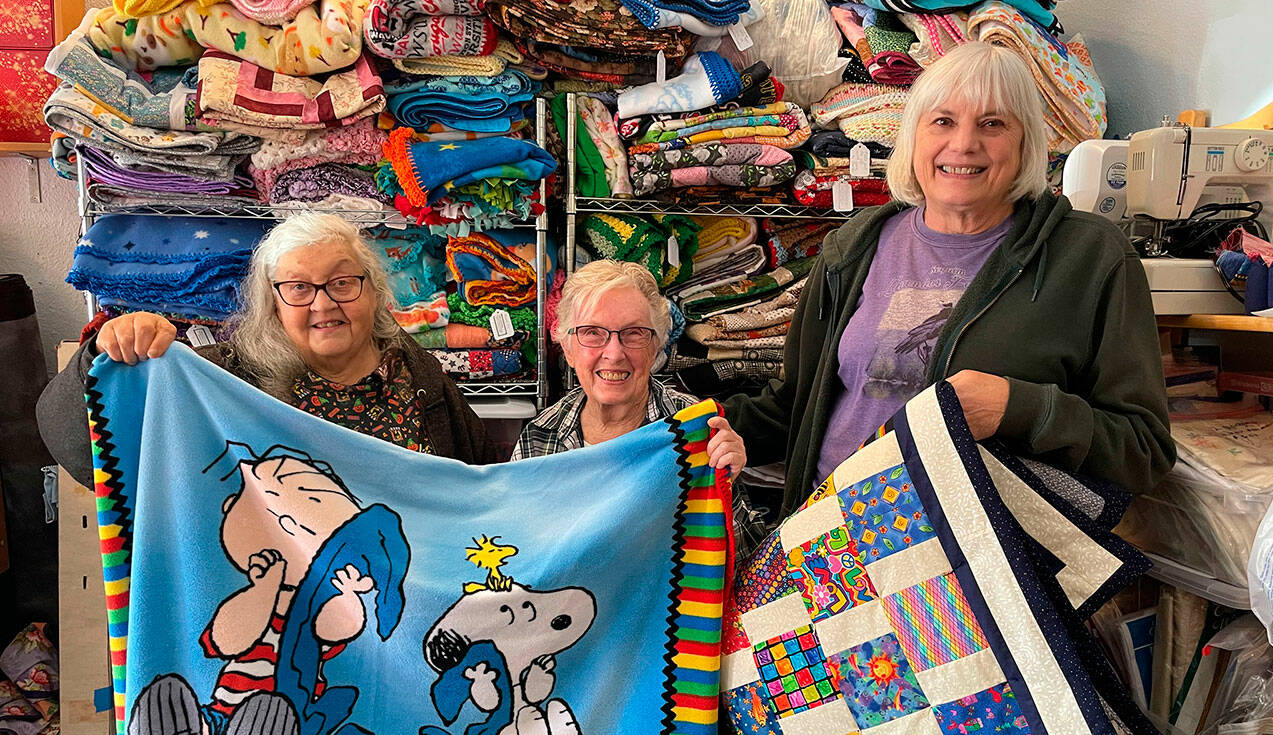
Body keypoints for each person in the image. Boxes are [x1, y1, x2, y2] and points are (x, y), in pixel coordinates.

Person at [725, 41, 1175, 517]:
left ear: (1025, 142)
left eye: (992, 124)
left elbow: (1143, 451)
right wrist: (700, 428)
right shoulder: (856, 244)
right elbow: (795, 405)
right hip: (834, 538)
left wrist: (1017, 408)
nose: (963, 144)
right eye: (942, 121)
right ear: (913, 136)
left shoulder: (1090, 256)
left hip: (978, 554)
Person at [39, 212, 502, 487]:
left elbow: (480, 481)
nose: (324, 303)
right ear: (273, 304)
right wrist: (105, 355)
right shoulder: (225, 381)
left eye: (343, 282)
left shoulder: (416, 373)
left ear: (374, 291)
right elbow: (84, 449)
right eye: (299, 288)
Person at [512, 259, 756, 531]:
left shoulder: (695, 430)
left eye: (634, 333)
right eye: (592, 332)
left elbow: (744, 553)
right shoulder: (540, 436)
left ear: (656, 347)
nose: (614, 354)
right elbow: (519, 544)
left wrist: (727, 486)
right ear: (568, 349)